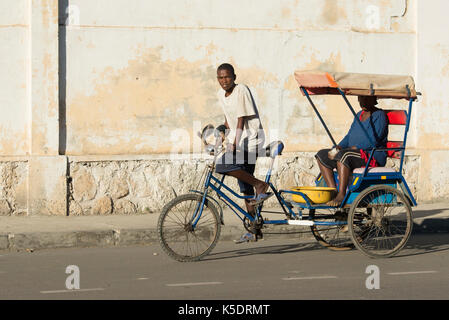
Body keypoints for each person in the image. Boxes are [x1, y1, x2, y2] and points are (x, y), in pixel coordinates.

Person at [214, 63, 269, 243]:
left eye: (227, 77)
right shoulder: (221, 95)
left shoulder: (241, 90)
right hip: (239, 142)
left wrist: (234, 143)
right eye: (220, 77)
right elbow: (229, 120)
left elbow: (241, 119)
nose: (224, 81)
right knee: (245, 188)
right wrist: (221, 132)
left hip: (251, 141)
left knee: (222, 165)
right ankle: (254, 228)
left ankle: (261, 185)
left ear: (234, 77)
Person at [315, 95, 388, 206]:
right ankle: (333, 190)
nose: (362, 101)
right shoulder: (359, 115)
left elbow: (374, 140)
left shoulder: (380, 115)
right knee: (322, 155)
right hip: (353, 153)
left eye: (366, 98)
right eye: (361, 98)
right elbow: (349, 136)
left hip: (371, 155)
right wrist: (338, 146)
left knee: (344, 155)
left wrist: (354, 148)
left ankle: (341, 194)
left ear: (374, 100)